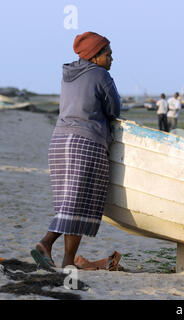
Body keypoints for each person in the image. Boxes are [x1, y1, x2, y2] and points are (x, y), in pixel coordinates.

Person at [30, 31, 121, 270]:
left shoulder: (68, 74)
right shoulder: (101, 75)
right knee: (79, 202)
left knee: (71, 203)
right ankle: (45, 242)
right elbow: (114, 109)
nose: (112, 59)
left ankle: (68, 261)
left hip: (60, 142)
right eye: (108, 54)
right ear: (95, 56)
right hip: (85, 142)